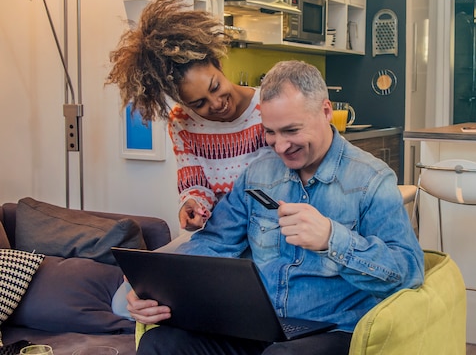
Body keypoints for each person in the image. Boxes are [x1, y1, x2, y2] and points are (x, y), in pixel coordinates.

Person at [128, 60, 425, 355]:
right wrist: (155, 289)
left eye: (292, 130)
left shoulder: (371, 179)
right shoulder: (258, 175)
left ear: (325, 112)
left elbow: (408, 271)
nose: (280, 146)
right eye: (270, 132)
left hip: (333, 329)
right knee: (161, 343)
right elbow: (215, 243)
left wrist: (331, 239)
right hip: (259, 327)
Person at [107, 0, 268, 232]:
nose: (216, 104)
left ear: (218, 64)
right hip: (222, 233)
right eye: (199, 103)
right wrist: (193, 205)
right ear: (182, 101)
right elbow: (196, 185)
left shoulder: (268, 106)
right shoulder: (182, 122)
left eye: (215, 86)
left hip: (270, 229)